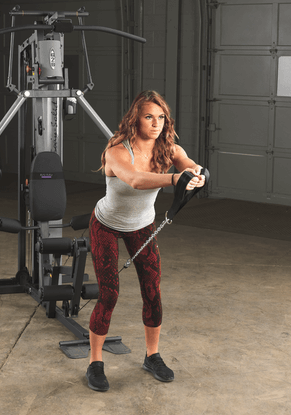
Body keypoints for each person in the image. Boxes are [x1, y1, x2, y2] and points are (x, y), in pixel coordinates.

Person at [85, 90, 205, 392]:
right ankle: (95, 362)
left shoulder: (169, 149)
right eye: (148, 117)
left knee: (153, 292)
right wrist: (175, 179)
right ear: (135, 120)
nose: (156, 123)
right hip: (106, 225)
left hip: (142, 225)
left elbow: (188, 164)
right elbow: (136, 180)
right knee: (109, 295)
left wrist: (197, 174)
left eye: (161, 117)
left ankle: (152, 356)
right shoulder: (116, 150)